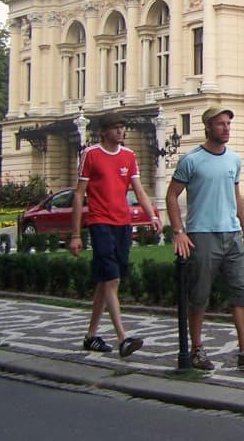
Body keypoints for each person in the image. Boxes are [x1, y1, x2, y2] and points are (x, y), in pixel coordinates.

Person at [166, 106, 244, 370]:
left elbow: (236, 195)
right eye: (220, 124)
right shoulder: (191, 160)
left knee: (242, 291)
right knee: (200, 294)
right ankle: (196, 349)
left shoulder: (234, 160)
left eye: (228, 124)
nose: (226, 128)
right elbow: (172, 196)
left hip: (232, 235)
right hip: (202, 234)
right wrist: (179, 232)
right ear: (207, 127)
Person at [69, 112, 161, 358]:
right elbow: (80, 195)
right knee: (112, 279)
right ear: (104, 131)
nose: (121, 131)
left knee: (107, 279)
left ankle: (91, 336)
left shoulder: (128, 156)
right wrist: (76, 234)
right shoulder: (91, 154)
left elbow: (138, 189)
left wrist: (151, 215)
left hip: (122, 222)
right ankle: (123, 338)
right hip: (100, 222)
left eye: (122, 127)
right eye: (115, 127)